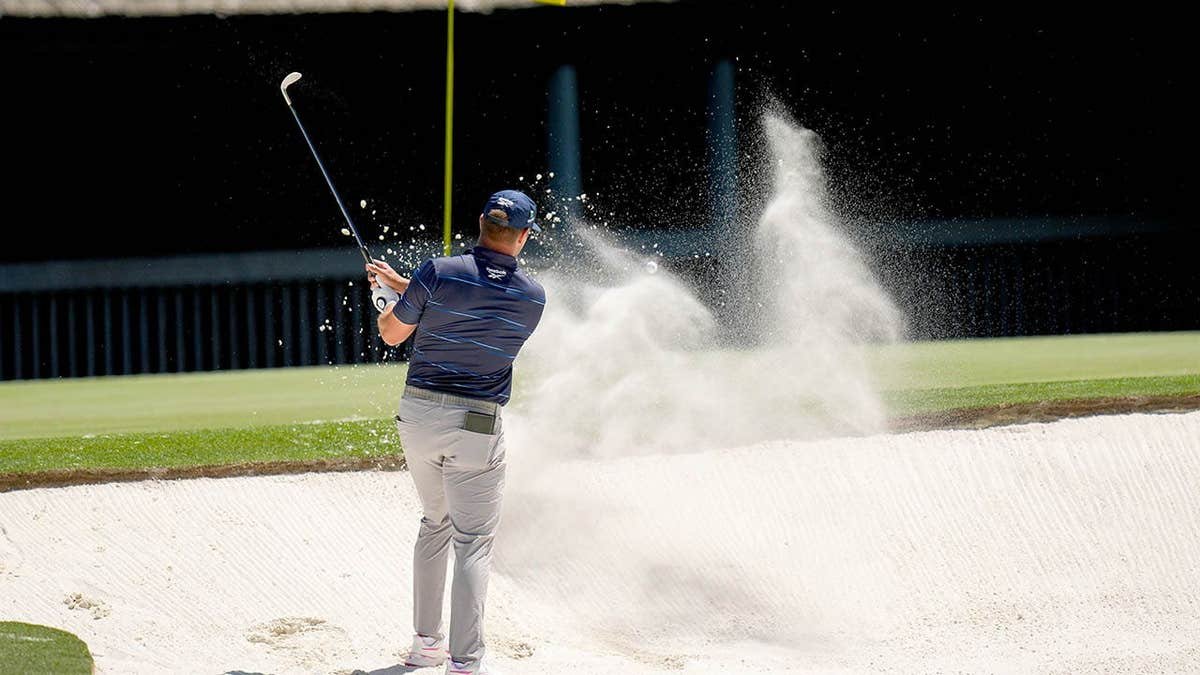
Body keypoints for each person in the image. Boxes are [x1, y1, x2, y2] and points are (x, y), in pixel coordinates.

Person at [366, 189, 546, 675]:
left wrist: (392, 299)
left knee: (435, 524)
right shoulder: (533, 296)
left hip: (419, 417)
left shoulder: (437, 272)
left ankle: (426, 647)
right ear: (523, 236)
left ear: (482, 223)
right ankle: (464, 664)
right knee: (473, 542)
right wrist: (408, 288)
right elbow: (478, 305)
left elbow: (391, 333)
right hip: (477, 425)